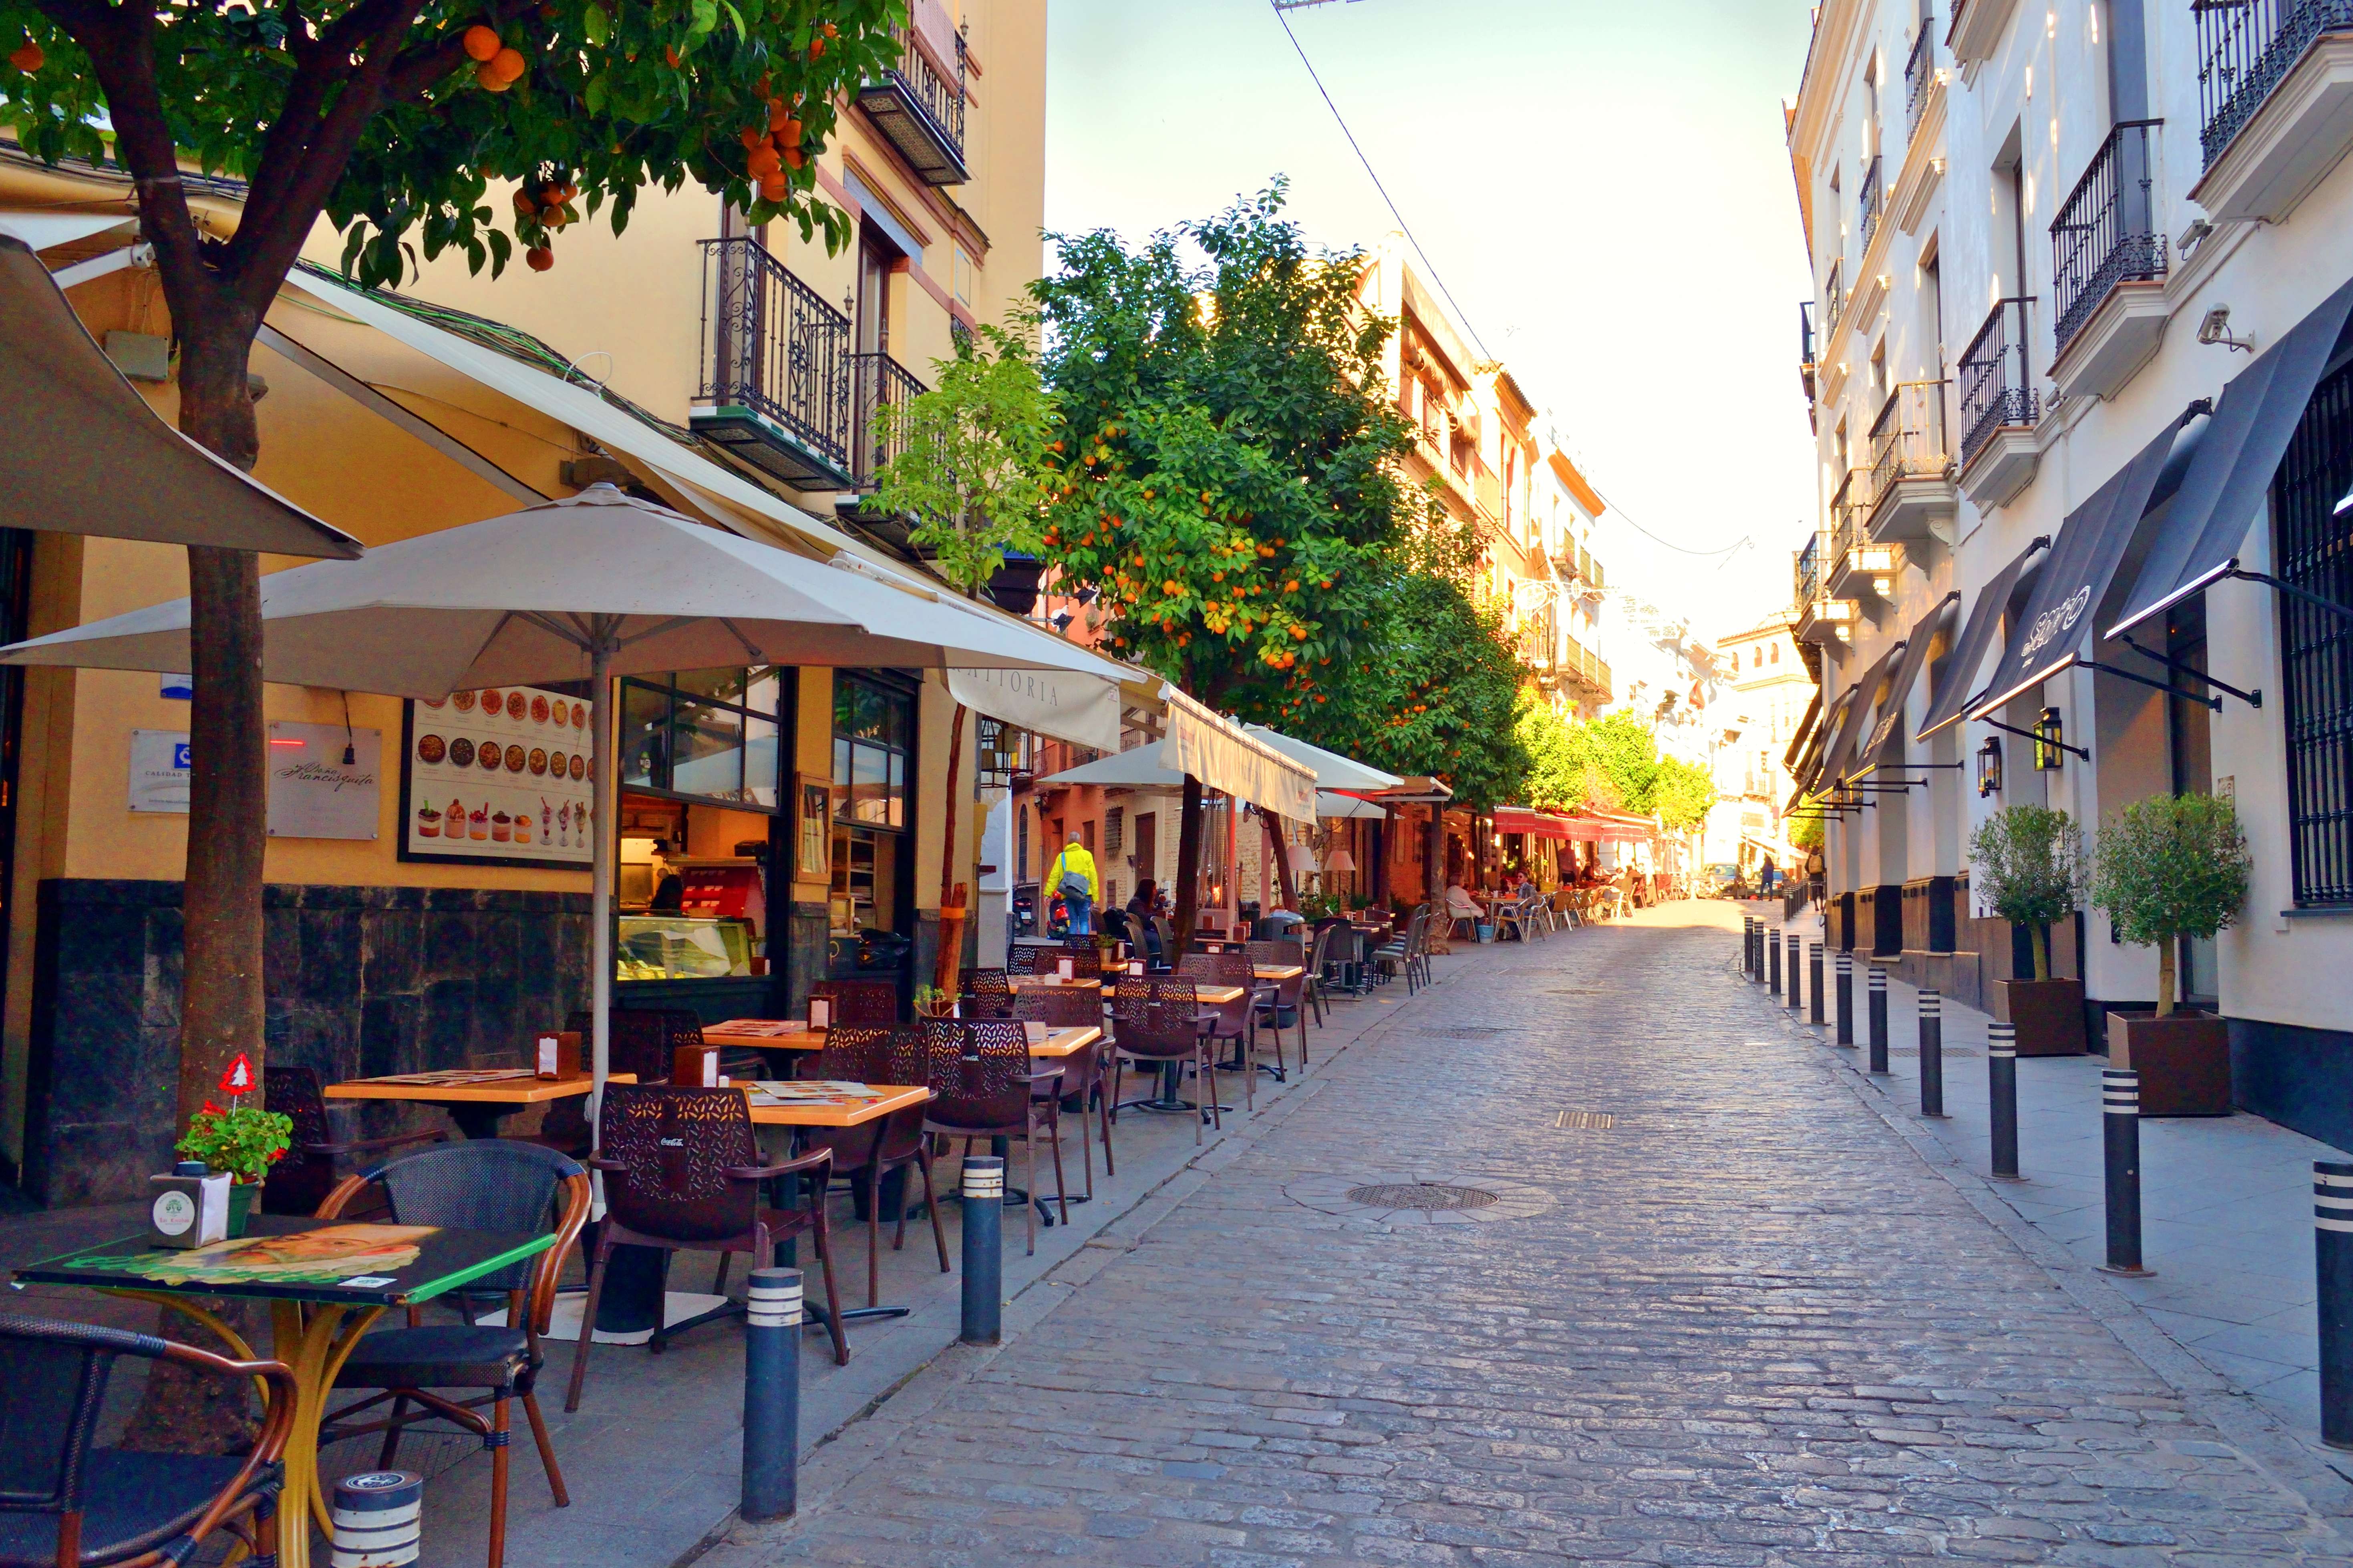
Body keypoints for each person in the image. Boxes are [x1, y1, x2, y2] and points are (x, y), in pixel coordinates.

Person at [1045, 834, 1099, 936]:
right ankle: (1083, 947)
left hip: (1068, 893)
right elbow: (1093, 876)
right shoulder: (1087, 855)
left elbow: (1054, 877)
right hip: (1084, 894)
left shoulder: (1062, 857)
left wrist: (1048, 894)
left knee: (1073, 921)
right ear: (1080, 842)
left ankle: (1073, 948)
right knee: (1084, 921)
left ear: (1068, 842)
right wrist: (1095, 897)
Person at [1127, 880, 1164, 964]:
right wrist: (1158, 914)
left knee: (1161, 937)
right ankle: (1151, 966)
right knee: (1158, 939)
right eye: (1154, 889)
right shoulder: (1136, 903)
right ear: (1148, 890)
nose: (1156, 892)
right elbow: (1143, 918)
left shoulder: (1143, 902)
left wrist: (1160, 904)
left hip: (1142, 931)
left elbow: (1151, 913)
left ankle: (1155, 964)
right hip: (1135, 933)